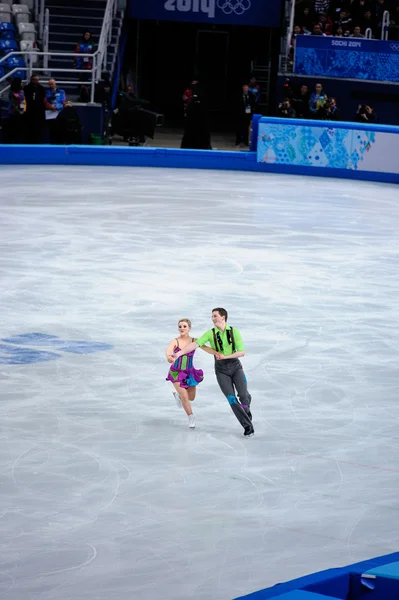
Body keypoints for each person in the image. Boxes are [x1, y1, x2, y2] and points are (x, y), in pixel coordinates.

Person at [170, 308, 254, 437]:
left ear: (223, 317)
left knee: (243, 396)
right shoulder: (210, 333)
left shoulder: (234, 332)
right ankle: (247, 426)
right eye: (212, 316)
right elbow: (195, 344)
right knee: (231, 398)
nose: (213, 318)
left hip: (235, 366)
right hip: (221, 370)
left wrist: (225, 356)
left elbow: (241, 352)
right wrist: (179, 353)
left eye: (215, 316)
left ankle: (246, 406)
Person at [165, 318, 217, 429]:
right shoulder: (175, 341)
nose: (182, 328)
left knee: (191, 397)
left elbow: (206, 349)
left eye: (184, 326)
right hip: (176, 372)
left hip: (190, 372)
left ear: (189, 328)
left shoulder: (195, 340)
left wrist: (217, 353)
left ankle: (177, 395)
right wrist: (169, 357)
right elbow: (168, 350)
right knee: (185, 397)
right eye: (180, 326)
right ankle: (191, 417)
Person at [24, 74, 46, 144]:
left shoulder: (41, 88)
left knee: (37, 129)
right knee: (28, 129)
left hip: (38, 113)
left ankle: (37, 142)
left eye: (37, 80)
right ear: (31, 80)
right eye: (34, 80)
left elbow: (43, 100)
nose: (36, 81)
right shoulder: (26, 88)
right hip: (28, 113)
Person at [6, 77, 25, 143]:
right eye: (20, 83)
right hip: (13, 113)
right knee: (13, 129)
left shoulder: (21, 91)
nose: (22, 84)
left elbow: (23, 100)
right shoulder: (12, 93)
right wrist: (18, 111)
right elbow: (13, 104)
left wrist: (23, 110)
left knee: (19, 130)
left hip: (20, 113)